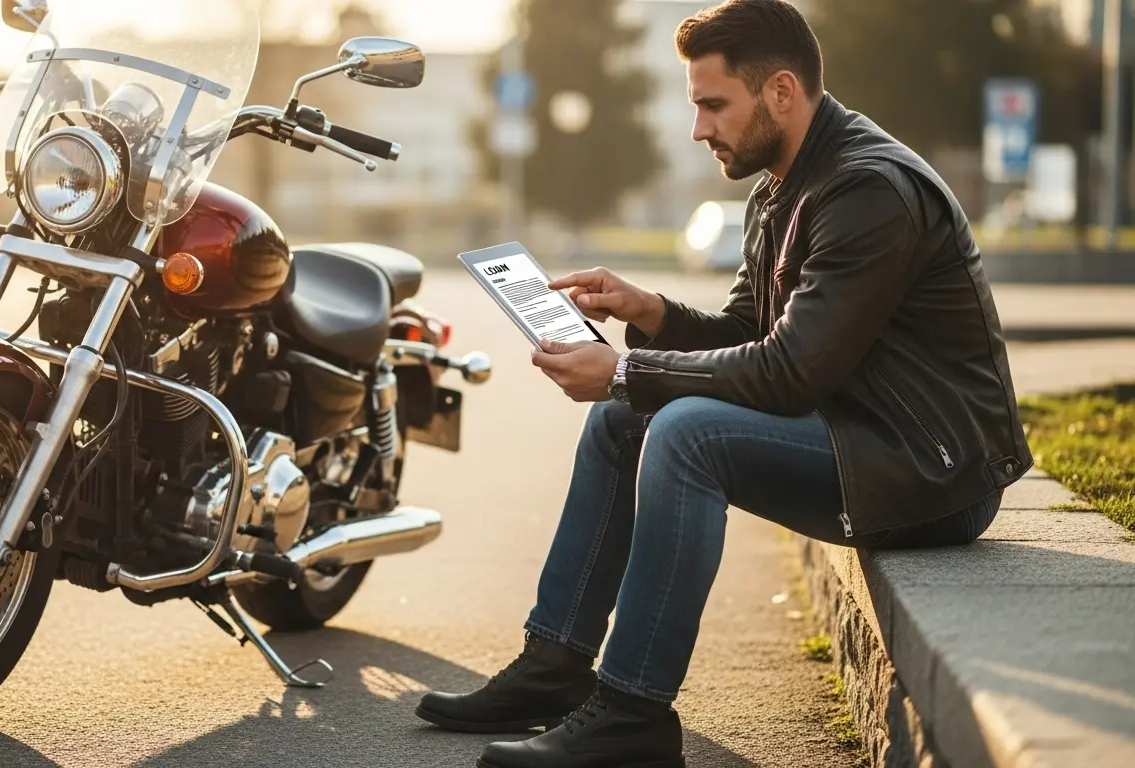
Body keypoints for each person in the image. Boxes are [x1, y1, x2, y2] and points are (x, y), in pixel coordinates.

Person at [414, 1, 1033, 766]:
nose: (699, 129)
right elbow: (752, 335)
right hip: (859, 433)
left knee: (684, 431)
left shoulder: (867, 189)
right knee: (623, 422)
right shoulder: (783, 184)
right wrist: (652, 315)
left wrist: (626, 369)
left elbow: (789, 371)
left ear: (779, 92)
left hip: (934, 468)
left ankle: (633, 713)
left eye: (713, 105)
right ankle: (553, 668)